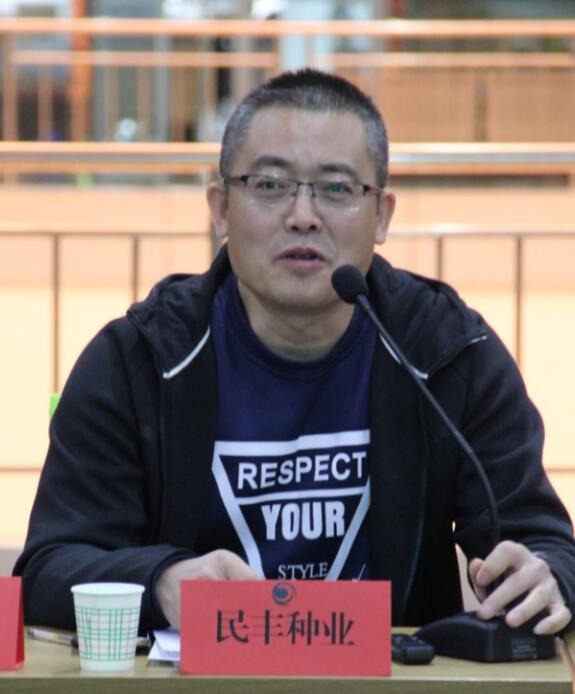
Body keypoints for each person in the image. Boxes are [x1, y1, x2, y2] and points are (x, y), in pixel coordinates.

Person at [14, 68, 575, 636]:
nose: (303, 216)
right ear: (220, 208)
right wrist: (161, 583)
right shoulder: (138, 359)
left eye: (337, 189)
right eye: (270, 184)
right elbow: (47, 572)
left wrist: (548, 576)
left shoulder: (449, 353)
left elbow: (543, 543)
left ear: (382, 216)